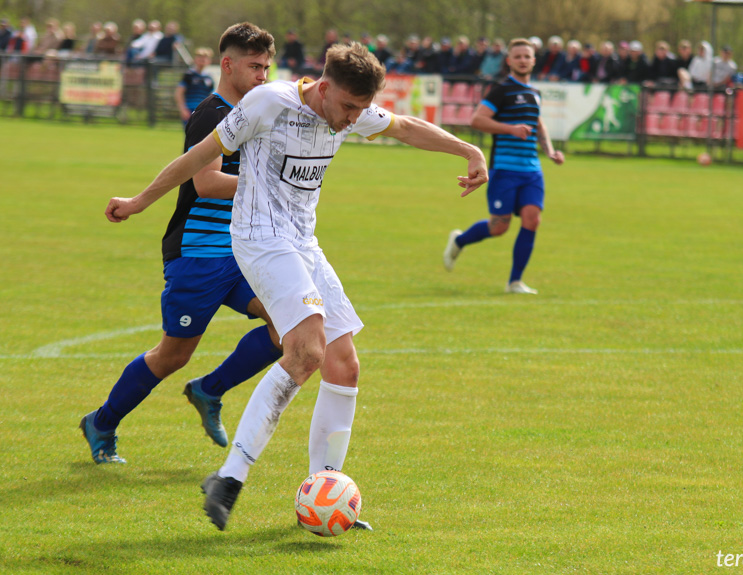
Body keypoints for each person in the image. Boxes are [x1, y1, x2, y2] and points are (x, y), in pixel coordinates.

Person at [112, 41, 487, 530]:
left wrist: (469, 148)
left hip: (303, 242)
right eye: (349, 107)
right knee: (307, 349)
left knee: (344, 363)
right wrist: (140, 201)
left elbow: (406, 127)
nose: (354, 119)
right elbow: (199, 158)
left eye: (361, 109)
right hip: (259, 239)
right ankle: (229, 477)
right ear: (324, 87)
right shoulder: (269, 103)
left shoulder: (351, 110)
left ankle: (325, 490)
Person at [80, 22, 282, 465]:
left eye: (267, 67)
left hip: (236, 252)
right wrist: (267, 182)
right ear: (228, 65)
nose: (262, 76)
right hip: (197, 252)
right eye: (254, 67)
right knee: (173, 355)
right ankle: (102, 421)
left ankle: (210, 390)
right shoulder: (213, 114)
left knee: (288, 326)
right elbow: (206, 182)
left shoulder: (252, 114)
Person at [443, 38, 563, 295]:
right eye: (517, 56)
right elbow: (477, 120)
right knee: (499, 226)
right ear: (509, 61)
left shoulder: (535, 93)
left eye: (526, 56)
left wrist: (551, 152)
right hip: (504, 169)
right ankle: (459, 240)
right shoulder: (501, 90)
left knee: (533, 219)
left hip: (532, 170)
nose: (522, 60)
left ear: (533, 60)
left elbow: (539, 125)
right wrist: (510, 129)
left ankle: (515, 282)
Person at [175, 47, 215, 125]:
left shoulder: (209, 78)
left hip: (203, 111)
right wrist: (182, 109)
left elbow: (211, 96)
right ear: (195, 59)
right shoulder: (189, 75)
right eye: (200, 57)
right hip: (189, 110)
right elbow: (179, 92)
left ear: (209, 61)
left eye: (205, 58)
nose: (202, 60)